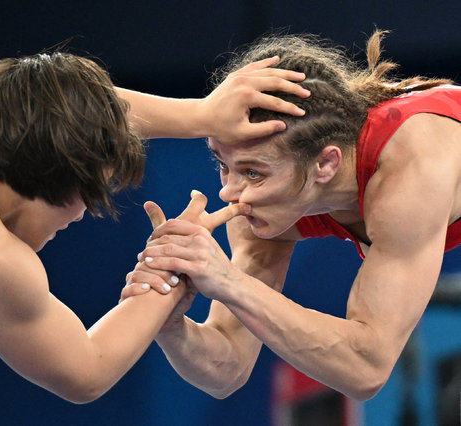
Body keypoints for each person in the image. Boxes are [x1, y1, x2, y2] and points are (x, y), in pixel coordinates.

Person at [0, 50, 308, 403]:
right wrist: (173, 265)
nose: (79, 216)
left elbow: (48, 100)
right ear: (50, 180)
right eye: (84, 197)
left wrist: (200, 115)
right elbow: (85, 372)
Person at [124, 30, 461, 401]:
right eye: (223, 165)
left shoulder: (411, 166)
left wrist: (226, 280)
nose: (228, 193)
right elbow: (228, 367)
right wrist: (169, 323)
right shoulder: (259, 210)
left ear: (326, 164)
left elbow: (366, 368)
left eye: (253, 172)